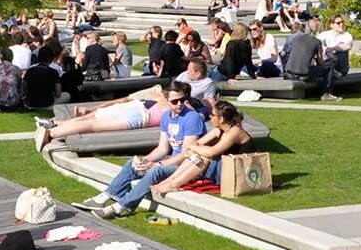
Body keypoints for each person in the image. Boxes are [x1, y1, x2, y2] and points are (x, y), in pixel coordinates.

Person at [75, 84, 206, 217]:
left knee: (155, 170)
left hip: (189, 167)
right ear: (166, 100)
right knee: (133, 163)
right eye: (174, 101)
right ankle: (103, 198)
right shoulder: (166, 116)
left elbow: (186, 155)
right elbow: (162, 148)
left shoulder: (192, 118)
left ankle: (120, 207)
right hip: (175, 164)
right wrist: (145, 160)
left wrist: (157, 164)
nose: (179, 104)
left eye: (182, 100)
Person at [149, 101, 253, 198]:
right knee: (199, 153)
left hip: (239, 172)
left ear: (221, 119)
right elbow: (197, 143)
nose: (210, 116)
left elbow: (212, 152)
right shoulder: (219, 130)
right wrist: (193, 149)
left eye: (212, 115)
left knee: (204, 156)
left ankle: (174, 184)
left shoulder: (235, 132)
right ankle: (170, 181)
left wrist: (192, 147)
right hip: (227, 168)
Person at [37, 89, 163, 148]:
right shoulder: (171, 105)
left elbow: (122, 100)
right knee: (92, 125)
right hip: (140, 116)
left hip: (133, 107)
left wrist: (96, 108)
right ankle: (51, 134)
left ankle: (53, 128)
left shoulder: (156, 95)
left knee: (91, 121)